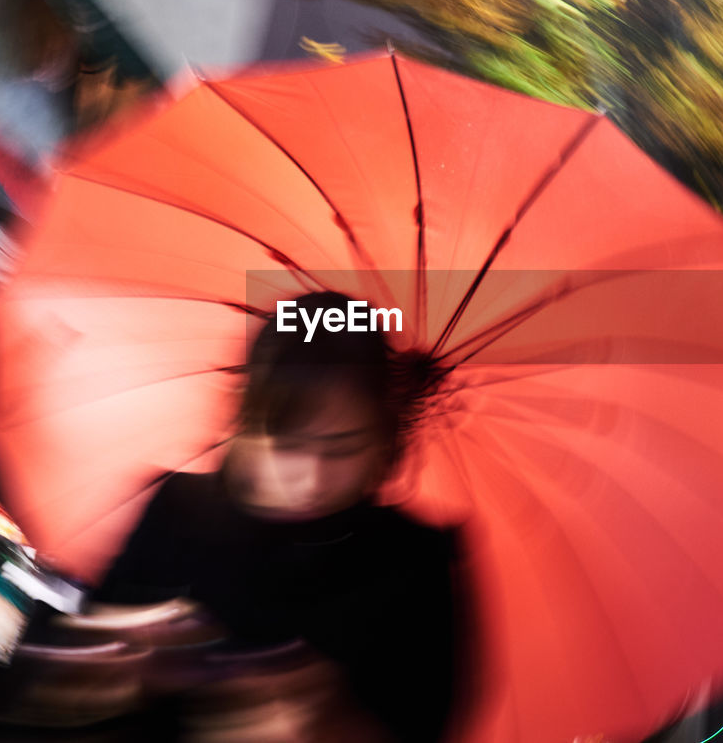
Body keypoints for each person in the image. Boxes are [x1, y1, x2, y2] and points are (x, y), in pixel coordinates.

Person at [94, 291, 470, 742]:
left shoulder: (414, 561)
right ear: (248, 419)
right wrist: (128, 662)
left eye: (343, 448)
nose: (311, 478)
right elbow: (83, 665)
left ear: (383, 440)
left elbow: (428, 723)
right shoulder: (178, 508)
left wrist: (330, 725)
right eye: (288, 444)